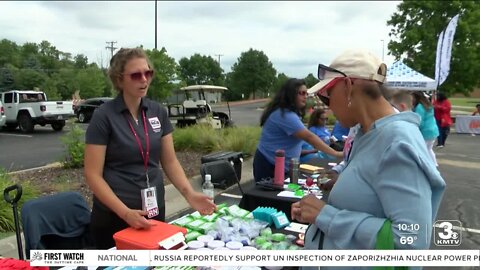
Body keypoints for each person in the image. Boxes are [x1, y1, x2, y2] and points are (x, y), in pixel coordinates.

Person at [291, 50, 446, 259]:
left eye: (327, 95)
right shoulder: (369, 133)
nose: (326, 105)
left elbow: (411, 241)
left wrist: (325, 215)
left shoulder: (397, 143)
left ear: (347, 87)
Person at [84, 47, 216, 249]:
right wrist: (125, 212)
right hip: (115, 217)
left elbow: (170, 161)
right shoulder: (104, 116)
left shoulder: (157, 112)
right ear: (119, 80)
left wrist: (190, 194)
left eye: (148, 73)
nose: (144, 79)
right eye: (136, 75)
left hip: (153, 209)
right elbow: (93, 175)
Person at [253, 78, 342, 183]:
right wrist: (336, 154)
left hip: (281, 166)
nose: (305, 97)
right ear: (291, 94)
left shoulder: (288, 113)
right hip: (269, 166)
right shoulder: (285, 115)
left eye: (306, 93)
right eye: (302, 93)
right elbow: (309, 137)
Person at [412, 91, 440, 166]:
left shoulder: (419, 107)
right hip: (433, 130)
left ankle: (427, 165)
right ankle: (434, 164)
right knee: (429, 149)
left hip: (425, 132)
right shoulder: (428, 105)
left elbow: (419, 120)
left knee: (423, 149)